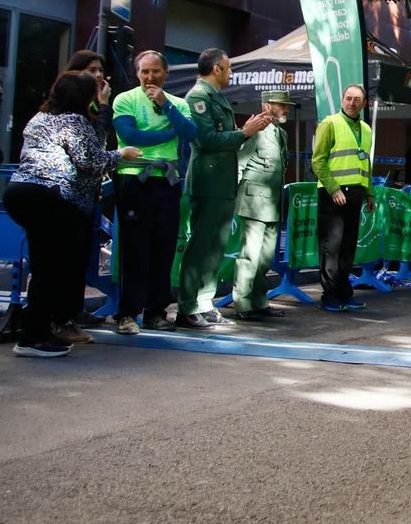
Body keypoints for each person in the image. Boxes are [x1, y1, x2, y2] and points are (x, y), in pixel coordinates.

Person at [4, 71, 139, 356]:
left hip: (20, 192)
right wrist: (121, 154)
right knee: (53, 270)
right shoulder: (74, 121)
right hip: (53, 197)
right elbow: (91, 161)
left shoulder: (39, 118)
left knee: (43, 268)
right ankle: (32, 338)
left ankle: (39, 330)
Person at [178, 48, 270, 330]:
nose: (230, 73)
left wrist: (244, 132)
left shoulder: (215, 97)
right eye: (228, 68)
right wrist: (244, 132)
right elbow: (205, 139)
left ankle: (204, 302)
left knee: (216, 247)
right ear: (216, 69)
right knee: (200, 246)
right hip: (207, 182)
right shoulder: (198, 97)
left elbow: (224, 137)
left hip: (223, 182)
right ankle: (187, 307)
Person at [110, 51, 197, 335]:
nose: (150, 77)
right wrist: (168, 133)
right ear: (137, 73)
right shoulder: (125, 99)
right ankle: (127, 313)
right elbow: (131, 135)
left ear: (166, 73)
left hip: (167, 181)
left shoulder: (178, 103)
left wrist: (166, 106)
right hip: (134, 178)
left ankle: (156, 312)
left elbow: (190, 131)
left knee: (164, 246)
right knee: (134, 247)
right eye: (145, 72)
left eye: (156, 71)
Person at [311, 84, 375, 312]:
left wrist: (369, 192)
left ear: (364, 104)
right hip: (333, 194)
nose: (352, 102)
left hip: (356, 193)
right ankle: (329, 294)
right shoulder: (330, 124)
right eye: (348, 98)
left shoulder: (366, 129)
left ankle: (344, 290)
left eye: (357, 99)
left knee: (348, 246)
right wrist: (333, 188)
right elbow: (317, 161)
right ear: (341, 100)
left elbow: (365, 163)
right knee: (332, 246)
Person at [231, 90, 292, 321]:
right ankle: (243, 304)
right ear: (267, 106)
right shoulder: (256, 130)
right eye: (281, 105)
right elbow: (240, 163)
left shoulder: (280, 134)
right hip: (254, 202)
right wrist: (232, 194)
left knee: (265, 257)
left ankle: (259, 301)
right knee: (250, 255)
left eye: (286, 106)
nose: (286, 109)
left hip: (272, 203)